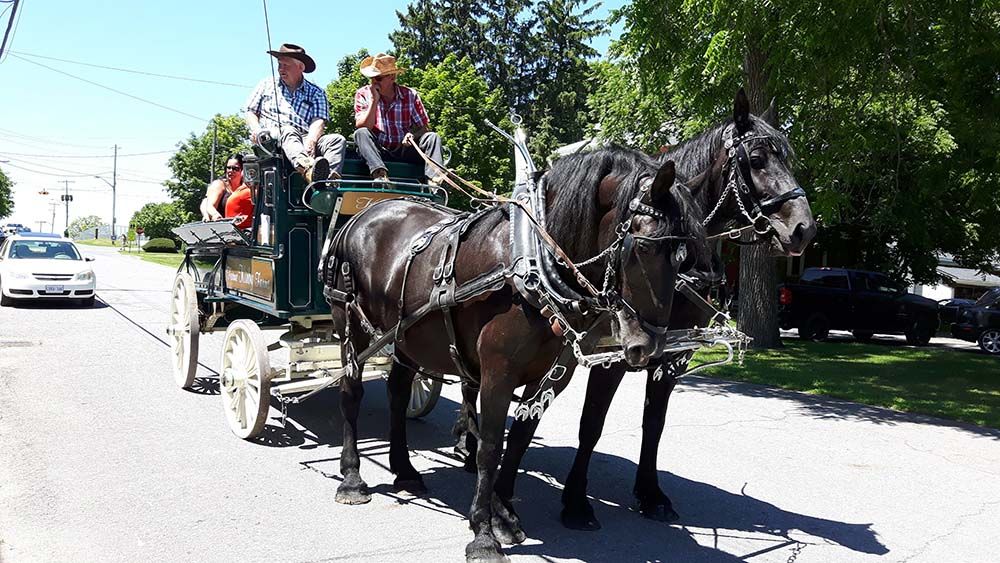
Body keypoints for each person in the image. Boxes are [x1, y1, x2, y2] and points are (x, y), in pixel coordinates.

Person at [245, 43, 346, 183]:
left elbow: (319, 121)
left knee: (337, 140)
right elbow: (251, 111)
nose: (281, 69)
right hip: (272, 139)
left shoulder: (316, 92)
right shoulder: (266, 84)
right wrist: (256, 130)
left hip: (305, 137)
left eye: (286, 65)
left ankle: (328, 183)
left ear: (301, 67)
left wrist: (311, 141)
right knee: (287, 130)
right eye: (279, 65)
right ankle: (307, 169)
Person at [353, 53, 444, 184]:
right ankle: (380, 175)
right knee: (361, 133)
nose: (373, 82)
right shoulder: (363, 93)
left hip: (404, 150)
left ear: (392, 77)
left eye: (378, 78)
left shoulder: (410, 95)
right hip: (377, 150)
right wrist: (374, 101)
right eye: (371, 78)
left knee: (433, 137)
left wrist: (412, 135)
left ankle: (435, 180)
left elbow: (424, 128)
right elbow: (363, 126)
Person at [200, 154, 248, 222]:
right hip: (220, 226)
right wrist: (215, 215)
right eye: (228, 168)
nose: (231, 171)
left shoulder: (246, 187)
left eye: (235, 168)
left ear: (243, 170)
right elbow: (209, 205)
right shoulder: (219, 184)